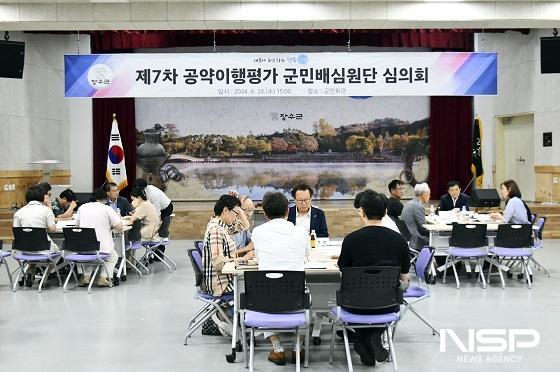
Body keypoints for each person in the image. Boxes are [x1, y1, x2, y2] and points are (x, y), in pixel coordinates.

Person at [338, 189, 410, 366]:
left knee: (361, 299)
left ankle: (363, 338)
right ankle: (372, 336)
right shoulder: (399, 240)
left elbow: (343, 273)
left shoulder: (351, 240)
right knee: (379, 300)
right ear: (385, 212)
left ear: (362, 211)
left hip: (354, 305)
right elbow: (405, 278)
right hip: (388, 304)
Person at [251, 191, 310, 365]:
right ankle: (297, 347)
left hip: (265, 298)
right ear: (287, 211)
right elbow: (307, 254)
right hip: (296, 297)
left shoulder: (258, 232)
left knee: (262, 296)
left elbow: (260, 261)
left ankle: (277, 348)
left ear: (265, 213)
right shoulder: (300, 232)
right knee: (310, 299)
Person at [75, 188, 123, 287]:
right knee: (113, 257)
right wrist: (110, 226)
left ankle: (86, 276)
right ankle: (103, 277)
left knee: (88, 255)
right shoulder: (106, 208)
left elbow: (77, 225)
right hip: (102, 248)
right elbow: (119, 227)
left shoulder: (82, 207)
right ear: (105, 199)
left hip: (84, 247)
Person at [400, 183, 431, 252]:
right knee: (439, 240)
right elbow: (423, 228)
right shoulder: (418, 206)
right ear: (424, 194)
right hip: (416, 240)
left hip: (408, 238)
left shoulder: (409, 203)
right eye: (429, 194)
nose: (429, 196)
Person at [229, 192, 255, 256]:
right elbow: (228, 254)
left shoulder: (244, 227)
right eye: (245, 210)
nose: (249, 214)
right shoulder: (229, 226)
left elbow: (253, 243)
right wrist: (246, 248)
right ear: (237, 209)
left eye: (251, 210)